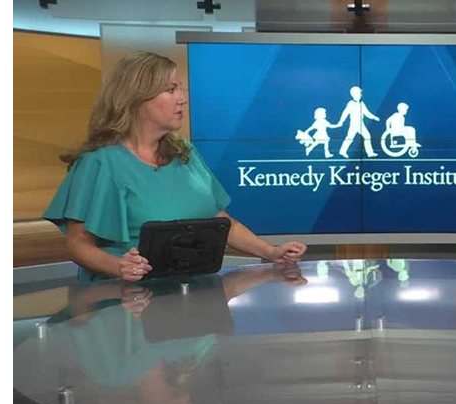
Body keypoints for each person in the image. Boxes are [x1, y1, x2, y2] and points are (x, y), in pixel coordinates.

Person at [45, 52, 306, 282]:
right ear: (137, 100)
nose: (182, 99)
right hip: (125, 305)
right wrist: (119, 267)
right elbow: (78, 244)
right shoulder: (99, 163)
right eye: (171, 90)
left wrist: (271, 252)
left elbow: (220, 222)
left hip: (193, 299)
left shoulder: (185, 154)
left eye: (180, 89)